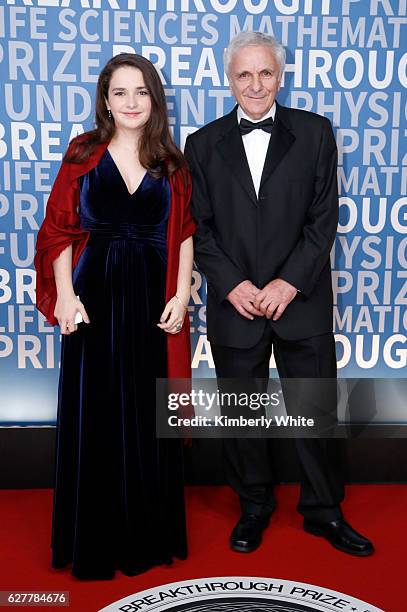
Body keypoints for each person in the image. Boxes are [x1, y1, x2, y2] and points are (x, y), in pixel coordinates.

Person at [184, 31, 374, 557]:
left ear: (280, 76)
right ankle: (254, 507)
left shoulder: (315, 133)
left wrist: (289, 282)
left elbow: (323, 218)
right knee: (241, 414)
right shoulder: (201, 144)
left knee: (314, 411)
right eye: (244, 74)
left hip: (302, 299)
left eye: (265, 73)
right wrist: (234, 285)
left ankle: (324, 511)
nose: (255, 84)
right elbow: (199, 228)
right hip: (236, 303)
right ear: (229, 80)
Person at [35, 53, 195, 579]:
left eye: (141, 92)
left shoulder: (171, 160)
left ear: (155, 100)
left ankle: (147, 536)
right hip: (93, 299)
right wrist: (64, 295)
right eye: (120, 92)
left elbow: (187, 232)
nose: (131, 102)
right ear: (106, 100)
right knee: (96, 413)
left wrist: (180, 296)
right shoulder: (83, 152)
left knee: (148, 415)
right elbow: (59, 229)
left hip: (152, 304)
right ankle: (96, 539)